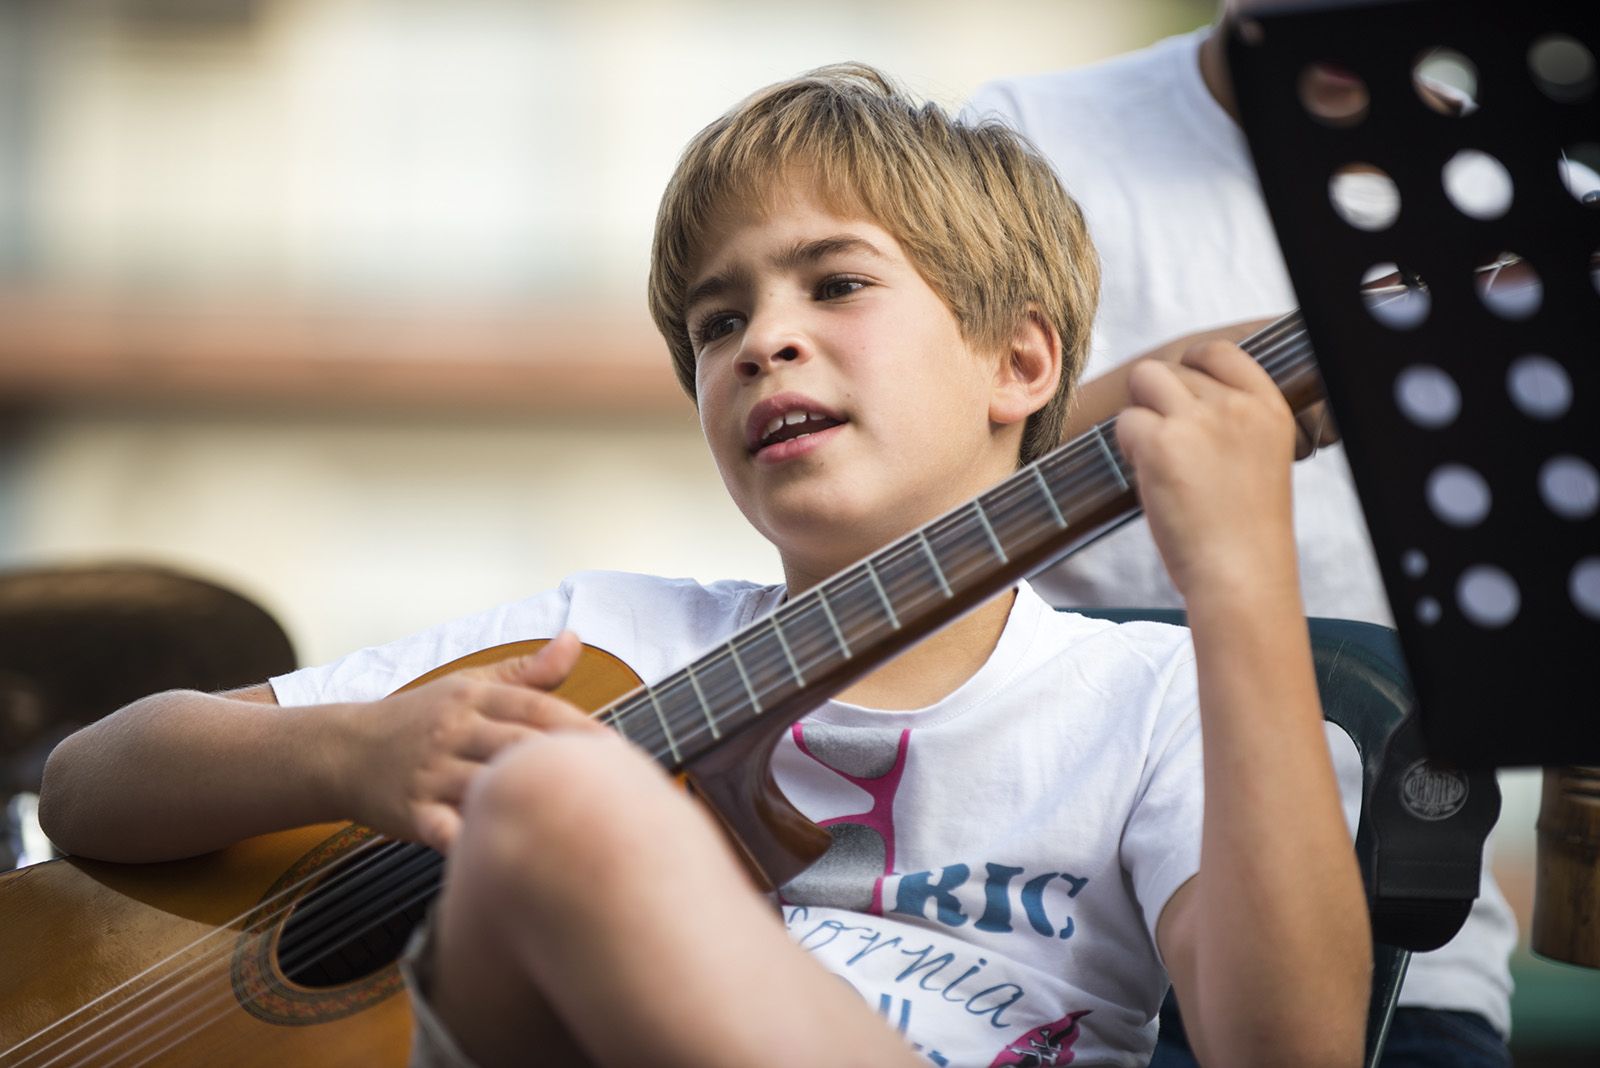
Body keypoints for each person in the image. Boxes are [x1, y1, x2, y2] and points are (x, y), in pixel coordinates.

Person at [39, 64, 1369, 1067]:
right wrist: (352, 758)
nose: (760, 343)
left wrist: (1240, 575)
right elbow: (89, 784)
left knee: (556, 796)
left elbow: (1290, 1050)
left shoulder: (1162, 703)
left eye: (835, 285)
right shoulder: (610, 635)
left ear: (1018, 362)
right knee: (554, 797)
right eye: (716, 321)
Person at [966, 5, 1517, 1065]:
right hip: (1042, 924)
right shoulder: (1023, 138)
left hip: (1408, 949)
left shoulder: (1544, 205)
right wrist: (1164, 395)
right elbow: (919, 494)